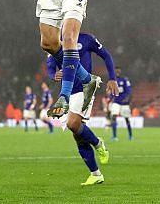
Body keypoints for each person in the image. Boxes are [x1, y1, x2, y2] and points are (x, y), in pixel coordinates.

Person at [47, 32, 116, 185]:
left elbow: (106, 55)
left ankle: (98, 143)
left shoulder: (87, 39)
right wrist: (53, 75)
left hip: (84, 88)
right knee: (77, 133)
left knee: (73, 124)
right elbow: (50, 65)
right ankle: (96, 174)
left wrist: (112, 78)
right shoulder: (56, 42)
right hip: (67, 91)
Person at [110, 66, 133, 141]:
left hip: (124, 103)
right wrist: (111, 98)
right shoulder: (112, 80)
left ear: (120, 72)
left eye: (118, 71)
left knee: (126, 119)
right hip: (116, 102)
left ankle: (130, 135)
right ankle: (114, 136)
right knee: (113, 117)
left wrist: (127, 99)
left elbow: (129, 91)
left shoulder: (125, 80)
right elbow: (111, 92)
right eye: (116, 71)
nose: (117, 72)